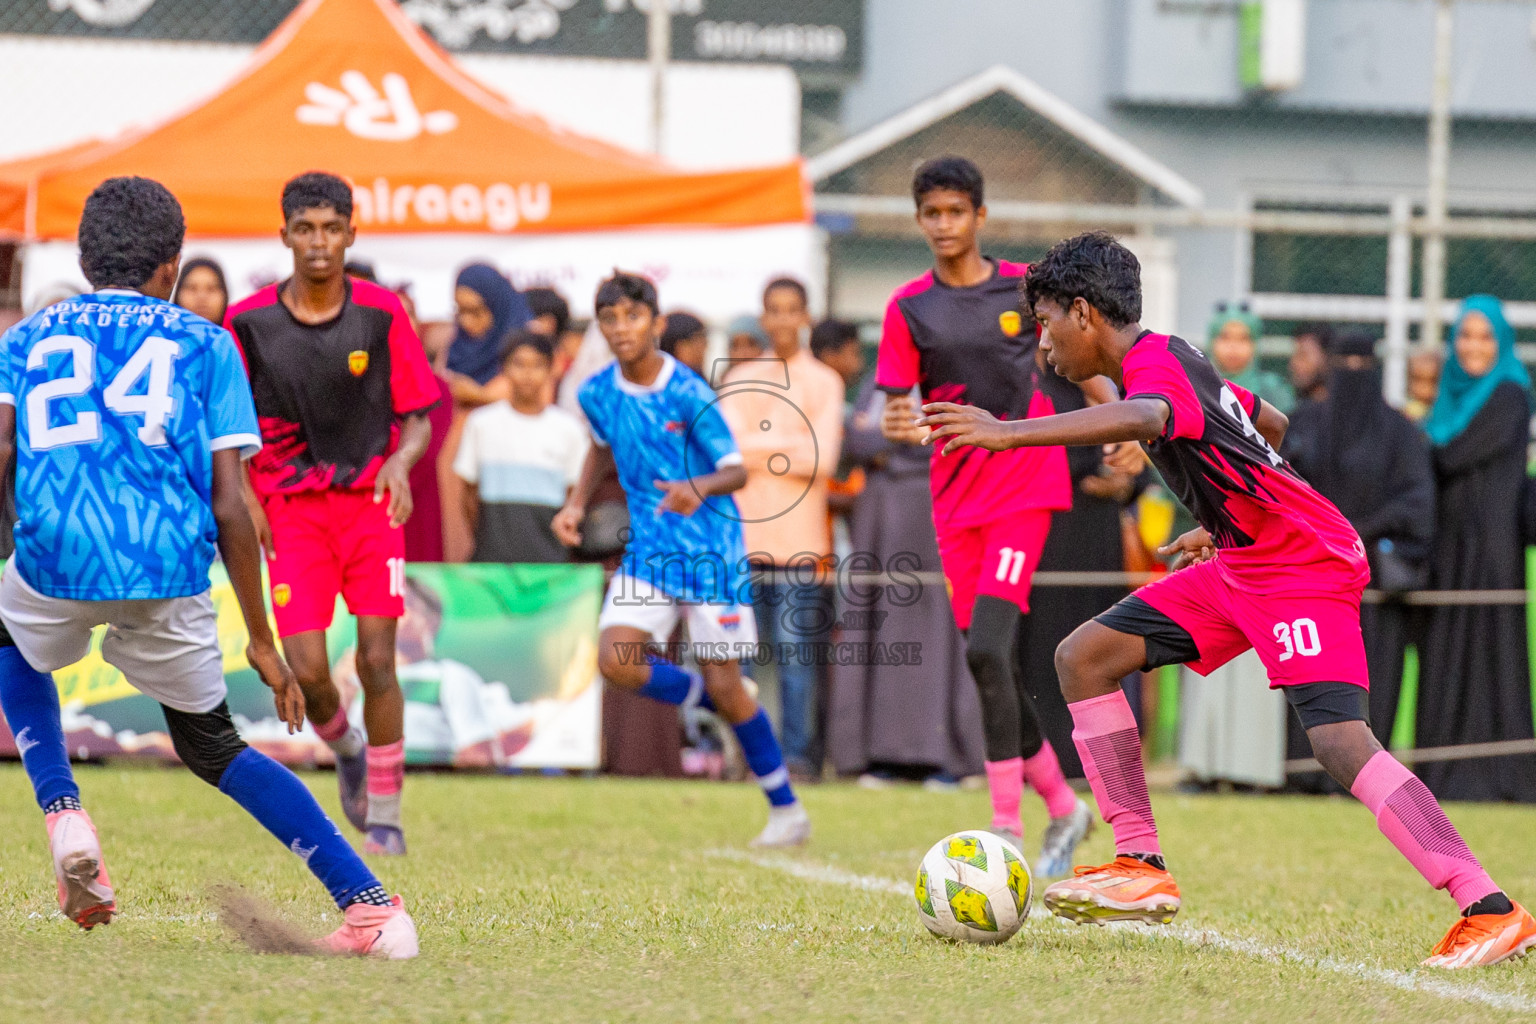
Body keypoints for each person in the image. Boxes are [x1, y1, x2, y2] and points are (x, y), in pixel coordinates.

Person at [920, 230, 1535, 968]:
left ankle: (1489, 906)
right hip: (1247, 560)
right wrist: (1223, 523)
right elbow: (1266, 426)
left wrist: (1008, 434)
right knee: (1084, 658)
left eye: (1046, 324)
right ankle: (1139, 865)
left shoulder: (1153, 366)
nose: (1044, 347)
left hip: (1301, 562)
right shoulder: (1176, 358)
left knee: (1339, 742)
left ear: (1083, 313)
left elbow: (1157, 419)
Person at [0, 176, 417, 956]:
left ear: (87, 260)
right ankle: (372, 911)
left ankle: (63, 813)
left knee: (10, 637)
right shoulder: (207, 342)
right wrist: (260, 639)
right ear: (171, 266)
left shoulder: (28, 336)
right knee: (213, 746)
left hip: (56, 550)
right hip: (168, 561)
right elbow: (231, 503)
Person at [876, 155, 1097, 878]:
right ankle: (1064, 805)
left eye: (954, 212)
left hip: (1024, 483)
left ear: (980, 216)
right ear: (920, 221)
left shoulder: (1023, 285)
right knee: (988, 659)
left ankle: (1005, 822)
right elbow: (896, 408)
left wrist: (1115, 423)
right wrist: (899, 421)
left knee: (987, 648)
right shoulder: (908, 307)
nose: (943, 225)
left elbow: (1083, 356)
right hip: (954, 495)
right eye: (930, 214)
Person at [553, 272, 811, 847]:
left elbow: (737, 469)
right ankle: (706, 700)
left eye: (633, 317)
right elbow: (599, 446)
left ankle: (786, 809)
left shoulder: (689, 391)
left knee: (729, 684)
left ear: (656, 323)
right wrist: (575, 503)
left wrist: (697, 486)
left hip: (711, 556)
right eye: (610, 319)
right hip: (649, 552)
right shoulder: (597, 391)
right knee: (615, 659)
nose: (622, 329)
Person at [226, 172, 440, 856]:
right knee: (310, 672)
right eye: (305, 228)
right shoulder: (248, 322)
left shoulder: (381, 313)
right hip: (290, 514)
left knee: (379, 660)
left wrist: (402, 465)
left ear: (352, 233)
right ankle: (345, 744)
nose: (319, 242)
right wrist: (250, 497)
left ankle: (386, 815)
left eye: (331, 228)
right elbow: (227, 430)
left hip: (370, 506)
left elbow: (417, 419)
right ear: (284, 233)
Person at [826, 326, 985, 786]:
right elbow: (853, 446)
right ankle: (877, 756)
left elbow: (960, 442)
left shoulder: (958, 381)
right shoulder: (877, 384)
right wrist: (900, 442)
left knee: (941, 634)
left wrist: (892, 444)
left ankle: (944, 758)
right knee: (877, 631)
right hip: (879, 524)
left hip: (939, 515)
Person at [1283, 331, 1434, 751]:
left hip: (1374, 586)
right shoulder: (1305, 424)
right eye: (1344, 363)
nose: (1352, 374)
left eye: (1361, 366)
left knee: (1374, 673)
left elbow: (1418, 502)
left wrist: (1363, 529)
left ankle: (1367, 767)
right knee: (1310, 671)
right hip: (1311, 577)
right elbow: (1282, 489)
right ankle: (1307, 770)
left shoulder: (1399, 431)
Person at [720, 278, 844, 780]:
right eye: (775, 310)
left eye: (793, 309)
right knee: (739, 663)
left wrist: (756, 450)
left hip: (799, 545)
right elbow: (724, 454)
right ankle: (741, 758)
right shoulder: (739, 379)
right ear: (764, 317)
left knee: (796, 665)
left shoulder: (826, 382)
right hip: (741, 541)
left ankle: (796, 759)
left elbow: (824, 459)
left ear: (806, 316)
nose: (784, 319)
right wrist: (791, 445)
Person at [1417, 295, 1536, 803]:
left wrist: (1414, 442)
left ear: (1502, 343)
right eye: (1464, 335)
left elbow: (1451, 456)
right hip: (1449, 545)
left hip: (1490, 547)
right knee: (1446, 653)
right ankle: (1442, 774)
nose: (1472, 347)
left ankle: (1496, 777)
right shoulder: (1448, 398)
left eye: (1485, 336)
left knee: (1491, 650)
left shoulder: (1510, 393)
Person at [454, 330, 589, 563]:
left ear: (551, 369)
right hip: (491, 561)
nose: (528, 374)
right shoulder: (481, 423)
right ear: (503, 369)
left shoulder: (569, 429)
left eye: (537, 365)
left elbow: (572, 498)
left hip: (550, 563)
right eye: (519, 364)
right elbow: (469, 495)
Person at [446, 263, 532, 409]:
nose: (466, 321)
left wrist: (478, 395)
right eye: (460, 310)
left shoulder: (527, 341)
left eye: (475, 311)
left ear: (497, 306)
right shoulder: (454, 343)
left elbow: (532, 395)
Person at [1208, 303, 1294, 413]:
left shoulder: (1273, 390)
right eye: (1225, 337)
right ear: (1211, 342)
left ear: (1255, 344)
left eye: (1243, 339)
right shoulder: (1196, 387)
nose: (1233, 346)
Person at [172, 256, 229, 326]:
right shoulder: (158, 336)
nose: (201, 297)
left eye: (211, 289)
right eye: (192, 288)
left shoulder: (237, 336)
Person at [1288, 323, 1332, 405]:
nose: (1293, 364)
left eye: (1302, 355)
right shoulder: (1294, 410)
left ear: (1326, 357)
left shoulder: (1349, 410)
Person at [660, 311, 709, 379]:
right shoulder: (663, 383)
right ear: (680, 346)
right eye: (701, 339)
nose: (706, 346)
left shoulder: (699, 381)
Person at [1405, 349, 1444, 423]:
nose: (1423, 388)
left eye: (1432, 381)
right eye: (1417, 380)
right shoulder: (1406, 414)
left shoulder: (1443, 411)